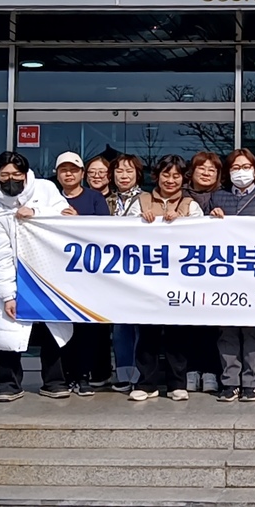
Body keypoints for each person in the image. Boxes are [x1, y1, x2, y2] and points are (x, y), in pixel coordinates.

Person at [0, 151, 74, 402]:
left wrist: (36, 211)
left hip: (49, 274)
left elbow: (65, 218)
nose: (11, 179)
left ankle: (54, 382)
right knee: (8, 331)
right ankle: (8, 385)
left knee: (52, 329)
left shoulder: (45, 189)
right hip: (15, 276)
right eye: (5, 175)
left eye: (16, 174)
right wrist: (7, 295)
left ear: (25, 174)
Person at [208, 148, 255, 402]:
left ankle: (252, 382)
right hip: (225, 275)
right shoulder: (218, 197)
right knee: (227, 330)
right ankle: (230, 382)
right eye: (235, 168)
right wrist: (212, 219)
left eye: (246, 167)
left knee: (253, 330)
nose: (241, 172)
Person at [129, 155, 205, 404]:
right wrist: (141, 221)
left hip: (179, 279)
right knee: (147, 333)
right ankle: (146, 383)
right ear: (156, 176)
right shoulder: (141, 201)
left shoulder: (190, 205)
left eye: (176, 176)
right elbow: (122, 233)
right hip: (147, 278)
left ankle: (177, 384)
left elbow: (202, 235)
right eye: (166, 174)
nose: (170, 180)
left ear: (183, 178)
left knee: (177, 333)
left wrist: (182, 223)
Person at [52, 151, 110, 397]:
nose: (69, 174)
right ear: (57, 174)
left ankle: (84, 376)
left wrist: (79, 220)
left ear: (82, 174)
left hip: (89, 275)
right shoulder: (50, 199)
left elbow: (107, 230)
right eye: (63, 170)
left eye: (73, 170)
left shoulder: (95, 198)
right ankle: (65, 376)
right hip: (56, 275)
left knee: (87, 328)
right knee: (61, 328)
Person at [106, 154, 149, 393]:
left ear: (138, 174)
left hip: (141, 270)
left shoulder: (148, 199)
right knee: (120, 325)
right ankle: (123, 374)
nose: (124, 176)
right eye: (119, 171)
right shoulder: (105, 200)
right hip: (111, 272)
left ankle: (142, 375)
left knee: (141, 325)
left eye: (129, 171)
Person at [183, 150, 224, 393]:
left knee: (212, 325)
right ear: (192, 171)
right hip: (185, 270)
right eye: (202, 168)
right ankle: (191, 370)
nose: (207, 173)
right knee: (187, 324)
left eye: (212, 169)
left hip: (216, 272)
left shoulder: (225, 197)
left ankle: (211, 371)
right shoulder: (180, 196)